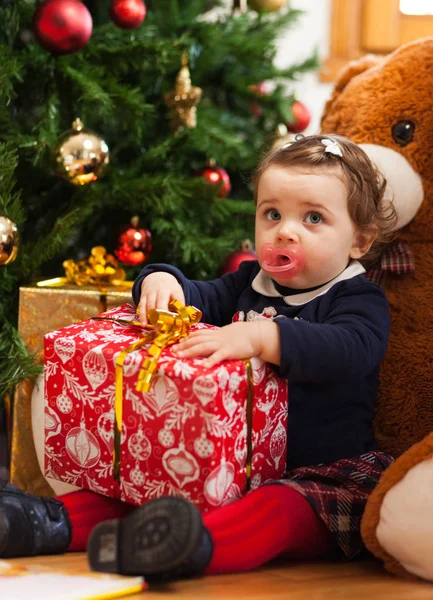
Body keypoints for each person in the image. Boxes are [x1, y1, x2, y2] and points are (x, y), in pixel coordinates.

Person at [0, 134, 397, 582]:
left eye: (313, 218)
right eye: (272, 213)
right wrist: (161, 282)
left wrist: (265, 336)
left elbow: (351, 349)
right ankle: (38, 523)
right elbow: (196, 295)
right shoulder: (250, 282)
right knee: (136, 490)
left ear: (360, 239)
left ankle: (188, 547)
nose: (285, 230)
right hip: (226, 467)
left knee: (278, 510)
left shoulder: (358, 299)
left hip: (315, 474)